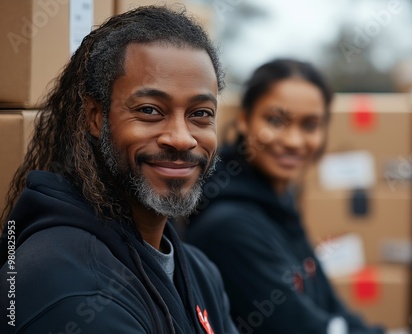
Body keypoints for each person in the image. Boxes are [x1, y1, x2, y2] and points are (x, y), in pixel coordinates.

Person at [0, 6, 237, 333]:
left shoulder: (199, 271)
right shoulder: (66, 284)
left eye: (200, 114)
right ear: (96, 117)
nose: (182, 139)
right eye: (150, 110)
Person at [185, 59, 386, 334]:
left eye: (310, 125)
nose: (293, 140)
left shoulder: (278, 203)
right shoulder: (229, 226)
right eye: (275, 120)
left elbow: (332, 307)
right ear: (244, 120)